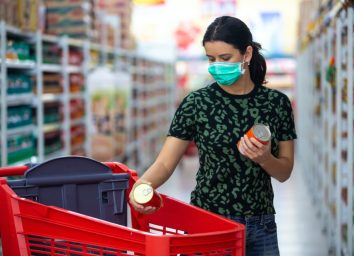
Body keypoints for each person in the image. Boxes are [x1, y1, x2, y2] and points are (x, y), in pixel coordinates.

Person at [129, 15, 297, 256]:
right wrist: (143, 185)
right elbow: (166, 162)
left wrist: (265, 158)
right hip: (208, 222)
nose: (217, 65)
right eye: (211, 59)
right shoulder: (196, 103)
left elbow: (285, 171)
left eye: (225, 58)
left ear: (247, 54)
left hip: (260, 224)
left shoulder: (276, 103)